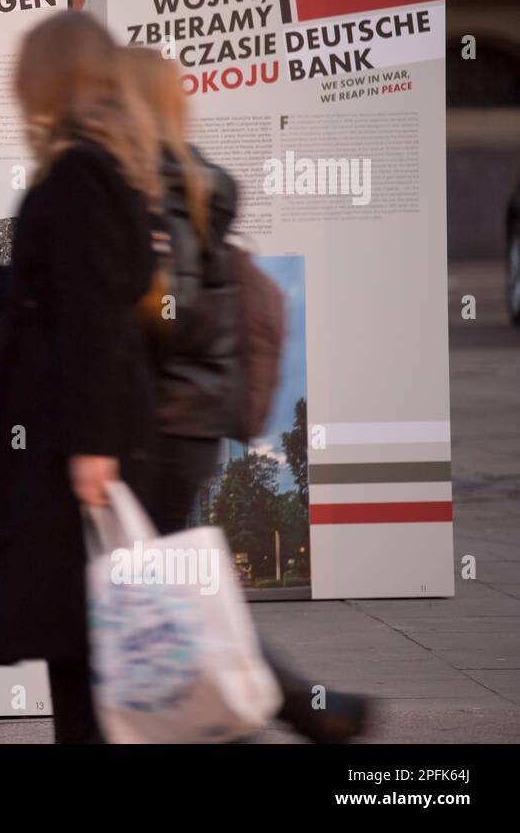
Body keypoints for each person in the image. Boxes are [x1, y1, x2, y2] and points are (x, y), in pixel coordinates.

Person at [127, 46, 369, 742]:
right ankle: (291, 708)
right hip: (190, 424)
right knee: (177, 592)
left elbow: (167, 312)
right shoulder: (191, 180)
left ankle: (298, 707)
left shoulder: (159, 189)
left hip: (161, 425)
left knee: (173, 597)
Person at [0, 11, 160, 744]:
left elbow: (95, 317)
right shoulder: (98, 168)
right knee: (80, 645)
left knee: (85, 649)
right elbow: (68, 293)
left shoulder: (80, 177)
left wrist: (93, 449)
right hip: (68, 445)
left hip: (70, 450)